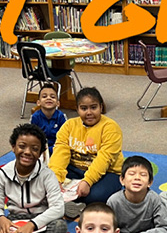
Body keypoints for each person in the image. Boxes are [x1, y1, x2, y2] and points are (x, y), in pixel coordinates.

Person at [0, 123, 67, 233]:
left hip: (41, 220)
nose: (27, 152)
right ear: (13, 147)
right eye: (22, 146)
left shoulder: (47, 175)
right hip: (15, 220)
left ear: (41, 152)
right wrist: (1, 219)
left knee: (59, 228)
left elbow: (58, 208)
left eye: (34, 149)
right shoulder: (2, 175)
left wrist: (33, 225)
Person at [47, 87, 124, 215]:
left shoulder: (111, 128)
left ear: (101, 107)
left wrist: (88, 181)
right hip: (76, 169)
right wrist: (56, 178)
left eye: (93, 107)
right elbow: (61, 152)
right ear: (77, 109)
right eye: (83, 108)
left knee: (95, 196)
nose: (89, 112)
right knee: (46, 179)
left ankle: (70, 203)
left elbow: (104, 159)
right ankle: (72, 202)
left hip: (107, 172)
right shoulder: (69, 125)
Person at [30, 83, 66, 154]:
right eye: (44, 96)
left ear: (58, 103)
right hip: (41, 148)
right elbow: (32, 136)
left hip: (57, 147)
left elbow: (65, 137)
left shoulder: (61, 116)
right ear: (38, 102)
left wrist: (53, 149)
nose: (48, 98)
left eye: (52, 97)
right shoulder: (35, 117)